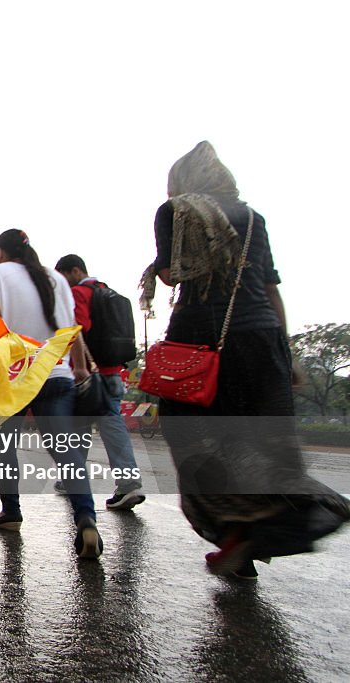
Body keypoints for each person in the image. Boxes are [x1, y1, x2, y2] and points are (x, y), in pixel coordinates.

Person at [144, 141, 348, 579]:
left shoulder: (176, 211)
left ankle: (235, 537)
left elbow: (169, 273)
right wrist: (287, 353)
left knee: (199, 447)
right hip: (262, 342)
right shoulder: (254, 219)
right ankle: (249, 542)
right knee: (262, 451)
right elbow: (270, 288)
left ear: (181, 182)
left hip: (200, 345)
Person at [0, 228, 103, 559]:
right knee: (65, 450)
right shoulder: (56, 279)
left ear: (0, 252)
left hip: (14, 377)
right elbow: (70, 329)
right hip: (56, 372)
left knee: (6, 449)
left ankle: (11, 513)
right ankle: (86, 517)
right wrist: (78, 368)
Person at [54, 254, 145, 511]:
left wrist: (77, 367)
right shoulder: (108, 292)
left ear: (74, 271)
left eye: (62, 276)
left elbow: (75, 330)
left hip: (90, 375)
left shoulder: (81, 292)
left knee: (86, 428)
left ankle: (128, 483)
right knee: (98, 425)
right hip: (113, 371)